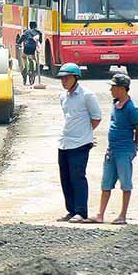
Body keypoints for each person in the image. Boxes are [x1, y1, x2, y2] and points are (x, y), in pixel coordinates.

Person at [90, 74, 138, 225]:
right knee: (106, 183)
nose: (111, 90)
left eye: (113, 87)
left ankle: (122, 215)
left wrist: (133, 147)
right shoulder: (115, 104)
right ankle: (100, 214)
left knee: (125, 183)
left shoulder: (131, 109)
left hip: (124, 150)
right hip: (112, 149)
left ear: (122, 88)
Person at [56, 63, 102, 223]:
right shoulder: (63, 96)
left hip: (80, 143)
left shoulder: (87, 95)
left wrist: (85, 133)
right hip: (64, 142)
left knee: (78, 177)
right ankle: (71, 210)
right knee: (66, 178)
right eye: (62, 78)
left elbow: (96, 117)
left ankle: (81, 211)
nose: (64, 81)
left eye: (67, 78)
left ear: (75, 78)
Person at [16, 21, 42, 85]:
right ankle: (34, 69)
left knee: (23, 57)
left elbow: (21, 39)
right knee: (33, 58)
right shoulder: (39, 32)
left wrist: (18, 43)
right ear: (36, 26)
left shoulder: (26, 32)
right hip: (34, 47)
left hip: (27, 47)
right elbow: (40, 41)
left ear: (30, 26)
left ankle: (24, 68)